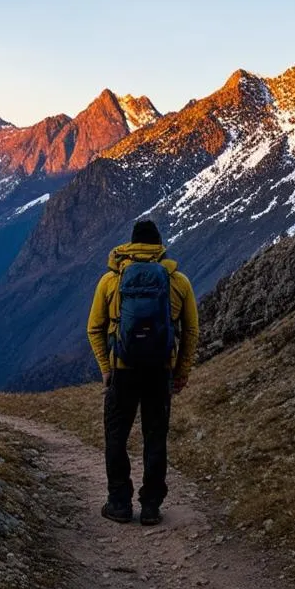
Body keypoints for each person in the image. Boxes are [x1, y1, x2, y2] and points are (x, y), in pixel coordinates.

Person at [86, 219, 199, 525]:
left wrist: (106, 369)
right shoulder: (178, 281)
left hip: (123, 371)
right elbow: (191, 331)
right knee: (155, 436)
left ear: (131, 244)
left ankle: (119, 503)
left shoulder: (110, 281)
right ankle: (150, 506)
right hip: (159, 372)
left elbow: (94, 328)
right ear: (159, 245)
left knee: (116, 436)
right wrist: (181, 372)